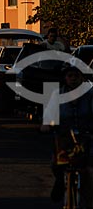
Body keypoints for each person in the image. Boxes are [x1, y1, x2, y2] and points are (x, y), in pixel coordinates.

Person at [41, 65, 93, 207]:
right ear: (65, 78)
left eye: (76, 76)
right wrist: (47, 124)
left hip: (86, 137)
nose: (73, 79)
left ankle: (87, 200)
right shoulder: (57, 94)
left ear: (82, 78)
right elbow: (50, 113)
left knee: (88, 169)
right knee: (56, 164)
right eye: (70, 76)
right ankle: (60, 181)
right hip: (64, 137)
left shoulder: (90, 94)